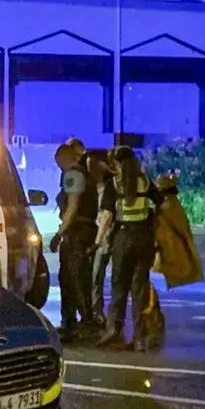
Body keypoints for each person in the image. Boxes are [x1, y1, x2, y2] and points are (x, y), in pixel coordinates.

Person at [95, 147, 168, 350]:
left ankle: (113, 332)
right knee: (139, 290)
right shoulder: (144, 181)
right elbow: (161, 203)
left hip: (123, 239)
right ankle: (138, 338)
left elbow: (108, 216)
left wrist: (98, 241)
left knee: (119, 287)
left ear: (117, 164)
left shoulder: (114, 184)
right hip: (144, 240)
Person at [49, 143, 99, 341]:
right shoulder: (85, 174)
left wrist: (59, 234)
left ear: (62, 158)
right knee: (69, 278)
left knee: (75, 279)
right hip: (82, 232)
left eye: (58, 162)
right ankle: (70, 322)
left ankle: (85, 322)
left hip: (77, 233)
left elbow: (72, 207)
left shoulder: (73, 175)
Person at [85, 150, 116, 326]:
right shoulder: (92, 186)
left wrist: (98, 241)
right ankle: (96, 312)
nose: (91, 170)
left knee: (98, 274)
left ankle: (100, 313)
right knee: (95, 275)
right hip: (98, 234)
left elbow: (106, 215)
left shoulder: (109, 186)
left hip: (107, 235)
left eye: (94, 166)